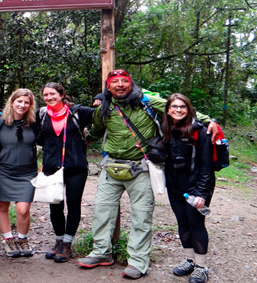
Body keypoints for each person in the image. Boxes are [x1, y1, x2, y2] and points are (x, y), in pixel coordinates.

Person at [76, 70, 219, 280]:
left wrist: (210, 121)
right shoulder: (104, 108)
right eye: (114, 82)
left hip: (141, 167)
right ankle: (101, 252)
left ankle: (138, 262)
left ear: (130, 84)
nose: (120, 84)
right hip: (111, 167)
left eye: (124, 81)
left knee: (141, 216)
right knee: (101, 212)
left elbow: (179, 109)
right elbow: (96, 131)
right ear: (108, 87)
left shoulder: (147, 101)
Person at [36, 82, 95, 263]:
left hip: (75, 166)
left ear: (61, 95)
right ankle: (59, 240)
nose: (49, 98)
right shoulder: (42, 114)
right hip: (51, 166)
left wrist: (100, 99)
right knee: (54, 205)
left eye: (52, 94)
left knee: (73, 204)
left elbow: (101, 115)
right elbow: (38, 135)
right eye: (46, 95)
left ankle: (67, 244)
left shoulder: (78, 112)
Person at [162, 93, 215, 283]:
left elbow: (206, 164)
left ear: (189, 109)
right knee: (182, 223)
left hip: (197, 186)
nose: (178, 110)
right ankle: (189, 260)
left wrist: (201, 192)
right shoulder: (166, 130)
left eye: (182, 106)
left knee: (196, 224)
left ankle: (201, 267)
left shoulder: (199, 131)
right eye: (174, 106)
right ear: (168, 110)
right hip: (175, 186)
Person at [0, 88, 39, 258]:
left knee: (23, 209)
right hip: (3, 170)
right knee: (2, 205)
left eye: (26, 102)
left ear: (30, 105)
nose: (22, 105)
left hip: (27, 172)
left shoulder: (33, 122)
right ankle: (9, 240)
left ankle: (22, 239)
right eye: (19, 101)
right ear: (12, 102)